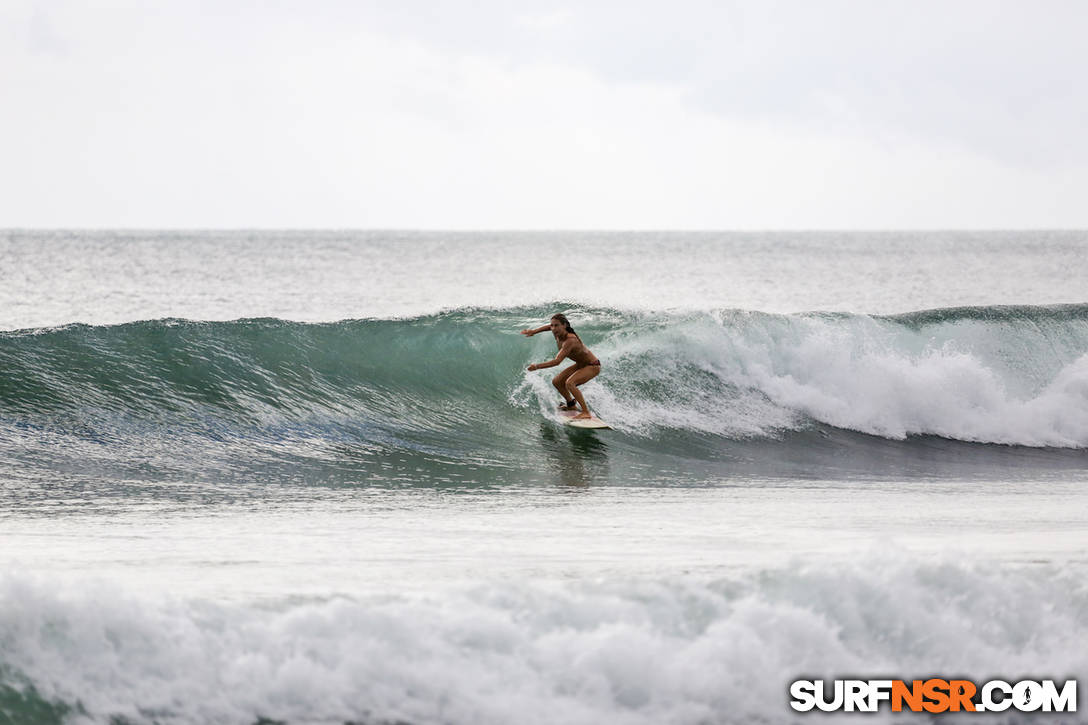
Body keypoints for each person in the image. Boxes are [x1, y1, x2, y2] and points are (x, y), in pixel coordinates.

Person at [521, 313, 601, 420]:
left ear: (565, 325)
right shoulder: (557, 332)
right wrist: (533, 331)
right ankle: (571, 404)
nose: (553, 328)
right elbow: (547, 327)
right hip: (580, 364)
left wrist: (536, 366)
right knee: (557, 381)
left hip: (592, 365)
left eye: (556, 325)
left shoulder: (570, 340)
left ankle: (586, 412)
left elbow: (557, 361)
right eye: (552, 325)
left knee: (570, 383)